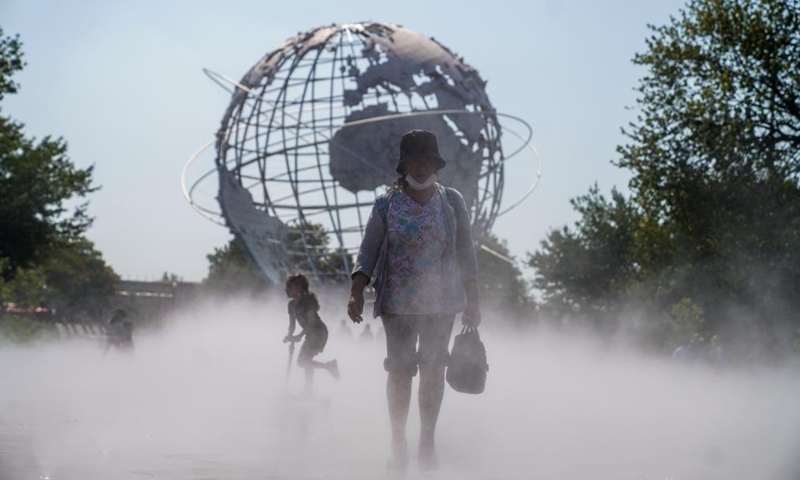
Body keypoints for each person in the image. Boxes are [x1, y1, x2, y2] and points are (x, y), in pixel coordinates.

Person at [347, 129, 481, 472]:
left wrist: (473, 299)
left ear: (436, 164)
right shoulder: (386, 204)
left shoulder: (451, 201)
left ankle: (427, 442)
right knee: (400, 371)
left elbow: (466, 251)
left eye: (427, 161)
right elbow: (369, 249)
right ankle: (398, 440)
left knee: (435, 369)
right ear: (403, 164)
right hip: (398, 303)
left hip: (442, 303)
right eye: (414, 161)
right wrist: (357, 290)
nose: (421, 168)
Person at [284, 273, 339, 395]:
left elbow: (312, 322)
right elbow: (292, 325)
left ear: (298, 288)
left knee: (303, 361)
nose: (286, 290)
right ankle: (310, 388)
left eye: (289, 287)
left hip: (319, 332)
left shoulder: (307, 301)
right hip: (310, 334)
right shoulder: (291, 305)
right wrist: (290, 336)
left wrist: (299, 336)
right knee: (303, 361)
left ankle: (326, 369)